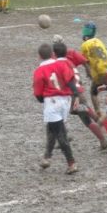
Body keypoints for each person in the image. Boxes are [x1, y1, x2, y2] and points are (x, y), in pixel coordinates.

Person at [51, 37, 107, 150]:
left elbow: (62, 79)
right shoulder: (69, 59)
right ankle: (103, 140)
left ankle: (106, 138)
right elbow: (84, 62)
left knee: (86, 118)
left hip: (74, 94)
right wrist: (88, 73)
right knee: (83, 117)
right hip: (77, 92)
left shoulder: (56, 63)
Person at [33, 43, 79, 174]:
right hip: (66, 100)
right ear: (52, 54)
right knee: (52, 128)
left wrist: (43, 101)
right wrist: (75, 95)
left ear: (39, 56)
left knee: (60, 133)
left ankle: (71, 163)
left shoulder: (39, 70)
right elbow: (70, 80)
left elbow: (38, 93)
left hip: (52, 102)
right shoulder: (61, 64)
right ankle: (47, 157)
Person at [80, 22, 107, 116]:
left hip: (99, 72)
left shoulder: (85, 45)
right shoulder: (99, 41)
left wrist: (88, 73)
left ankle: (98, 113)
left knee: (93, 92)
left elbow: (85, 62)